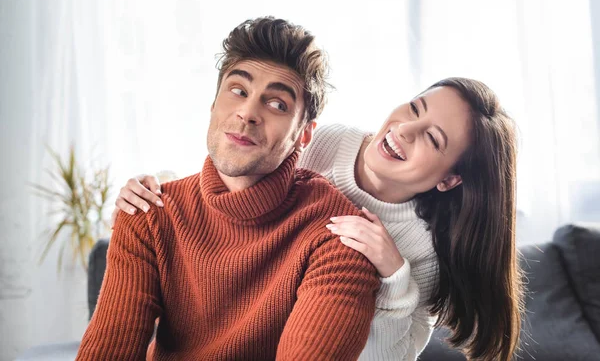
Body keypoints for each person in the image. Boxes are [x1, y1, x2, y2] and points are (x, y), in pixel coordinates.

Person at [116, 77, 524, 360]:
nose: (405, 130)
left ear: (451, 179)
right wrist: (156, 192)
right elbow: (236, 185)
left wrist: (394, 280)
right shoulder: (331, 141)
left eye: (433, 139)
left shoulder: (425, 250)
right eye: (415, 108)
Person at [76, 17, 382, 361]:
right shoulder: (148, 212)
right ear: (213, 105)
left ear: (304, 134)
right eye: (238, 91)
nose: (248, 112)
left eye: (277, 104)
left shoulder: (338, 234)